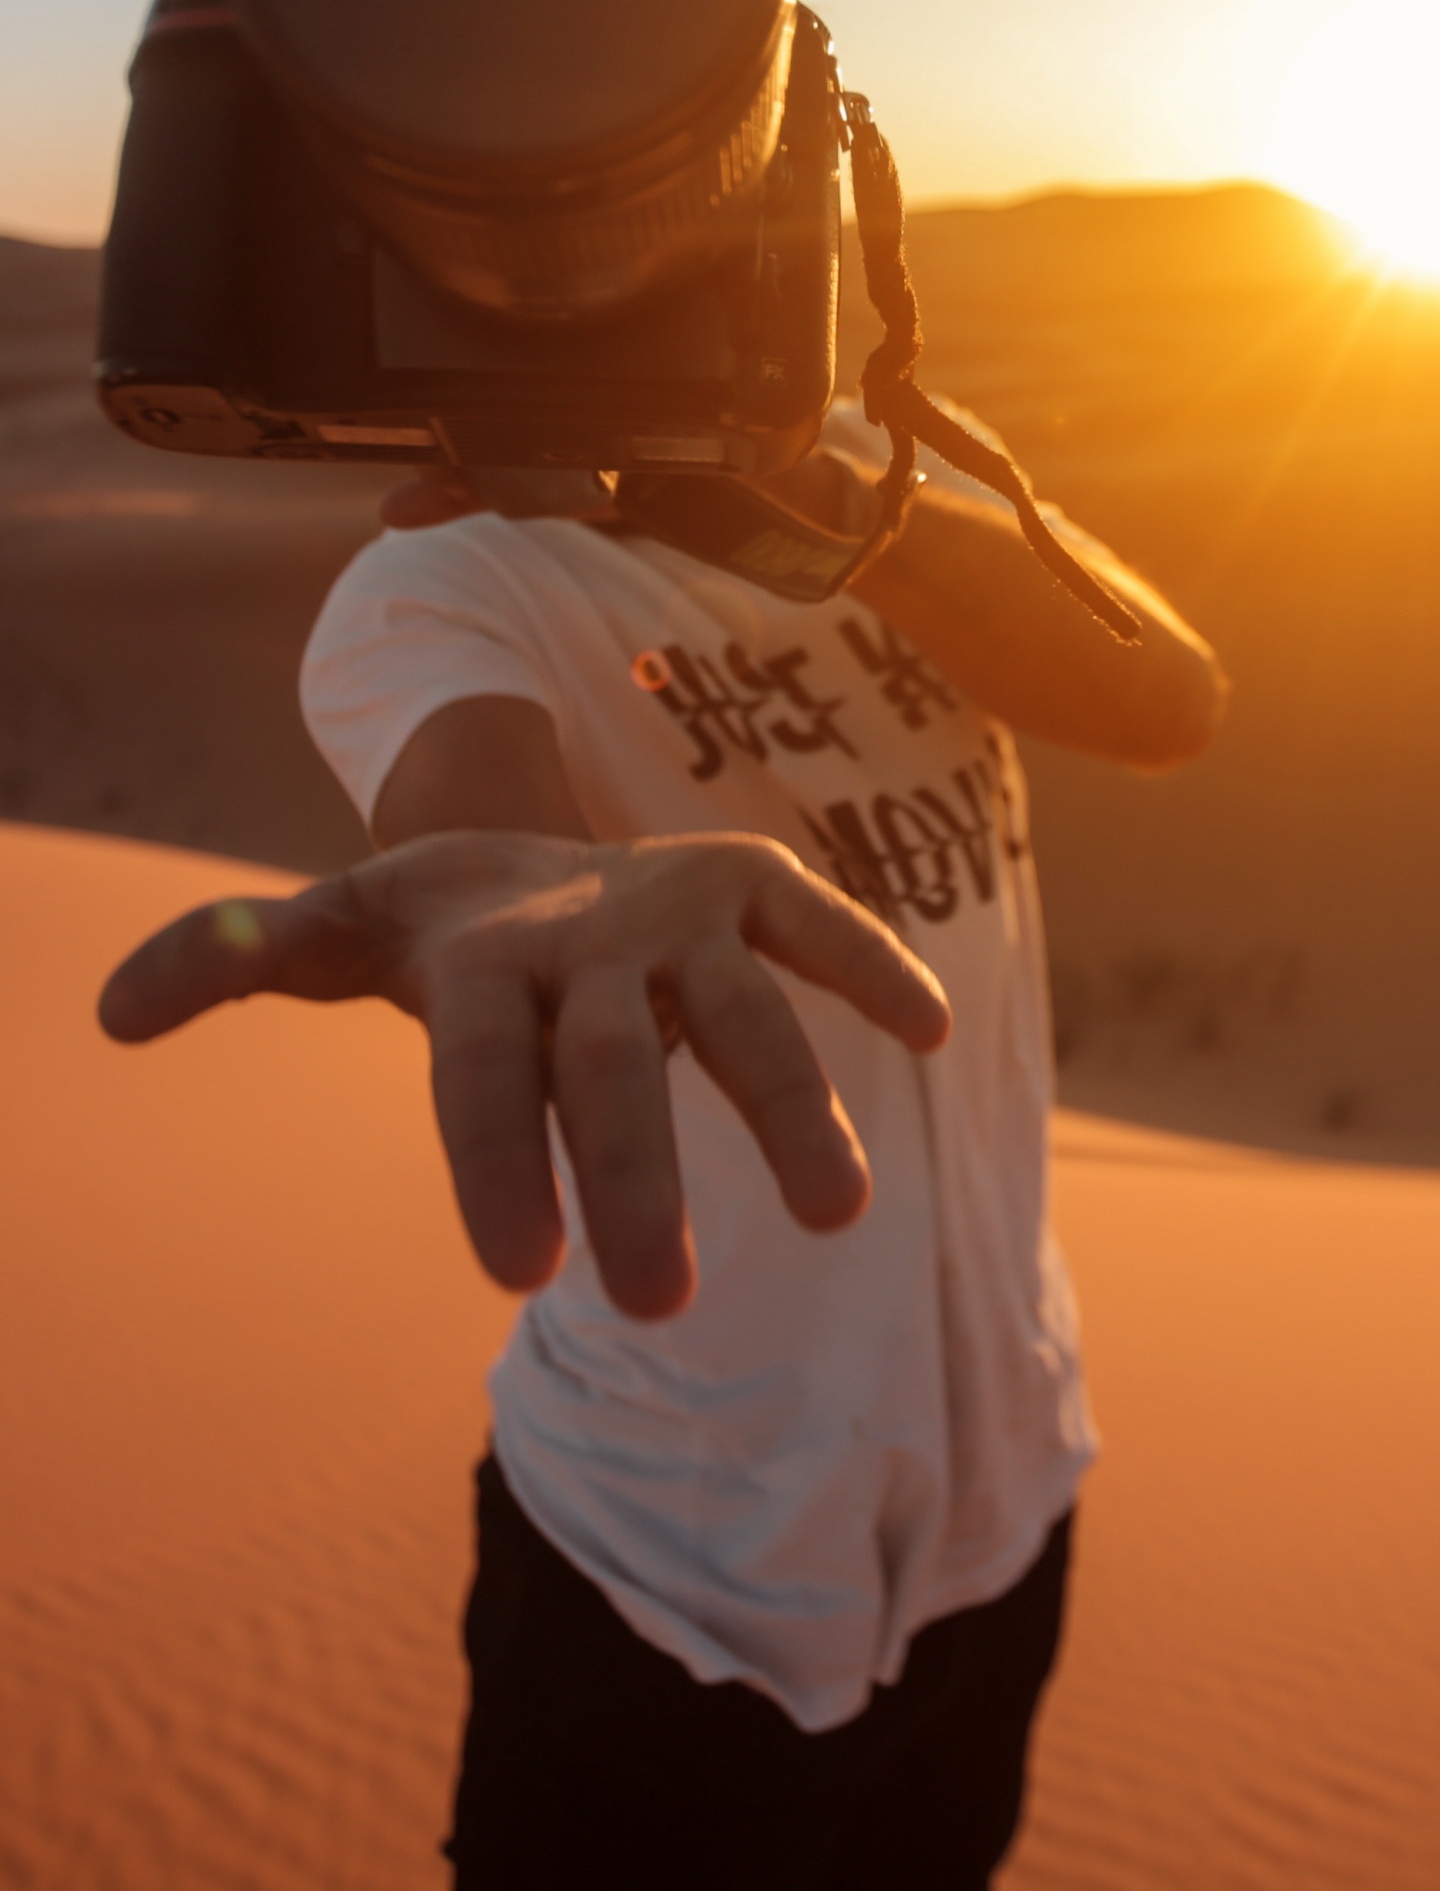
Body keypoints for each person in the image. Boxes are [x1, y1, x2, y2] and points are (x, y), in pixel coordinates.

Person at [101, 401, 1225, 1890]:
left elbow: (1169, 701)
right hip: (667, 1580)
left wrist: (809, 488)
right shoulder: (446, 586)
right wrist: (535, 890)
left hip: (1001, 1529)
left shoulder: (883, 467)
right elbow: (490, 828)